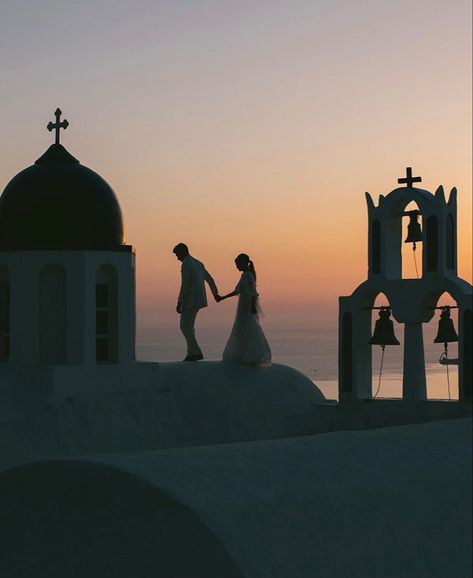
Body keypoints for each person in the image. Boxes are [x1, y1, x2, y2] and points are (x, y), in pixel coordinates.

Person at [217, 253, 271, 366]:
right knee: (244, 328)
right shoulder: (246, 275)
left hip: (246, 306)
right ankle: (244, 354)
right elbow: (237, 291)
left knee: (247, 327)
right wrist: (223, 297)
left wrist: (252, 307)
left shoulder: (247, 275)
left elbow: (253, 293)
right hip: (243, 305)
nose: (237, 267)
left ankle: (248, 355)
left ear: (243, 263)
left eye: (237, 264)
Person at [173, 243, 219, 361]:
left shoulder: (186, 264)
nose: (177, 258)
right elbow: (209, 279)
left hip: (190, 300)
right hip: (199, 299)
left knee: (184, 326)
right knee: (189, 326)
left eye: (177, 255)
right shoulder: (198, 263)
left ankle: (196, 352)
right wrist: (215, 293)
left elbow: (185, 285)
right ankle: (191, 353)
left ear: (183, 252)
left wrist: (179, 301)